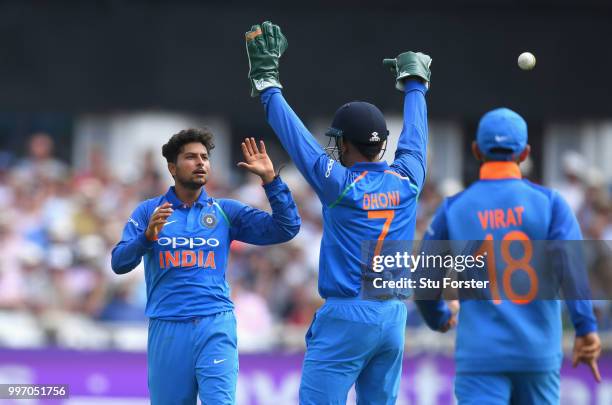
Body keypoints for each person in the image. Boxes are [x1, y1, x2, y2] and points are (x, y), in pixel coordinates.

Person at [245, 21, 432, 404]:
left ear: (346, 144)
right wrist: (415, 84)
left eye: (338, 142)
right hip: (393, 316)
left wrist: (267, 84)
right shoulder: (408, 179)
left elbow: (296, 140)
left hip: (348, 316)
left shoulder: (339, 184)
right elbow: (415, 136)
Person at [415, 108, 601, 404]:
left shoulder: (453, 209)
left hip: (480, 356)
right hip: (536, 355)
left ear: (476, 150)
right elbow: (573, 271)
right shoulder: (551, 204)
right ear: (525, 153)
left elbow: (424, 281)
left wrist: (439, 317)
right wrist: (585, 328)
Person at [111, 129, 300, 405]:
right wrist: (146, 238)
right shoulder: (148, 212)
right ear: (172, 168)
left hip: (215, 323)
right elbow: (119, 263)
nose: (201, 162)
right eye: (191, 157)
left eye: (204, 157)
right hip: (168, 327)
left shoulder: (225, 211)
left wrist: (271, 181)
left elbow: (286, 228)